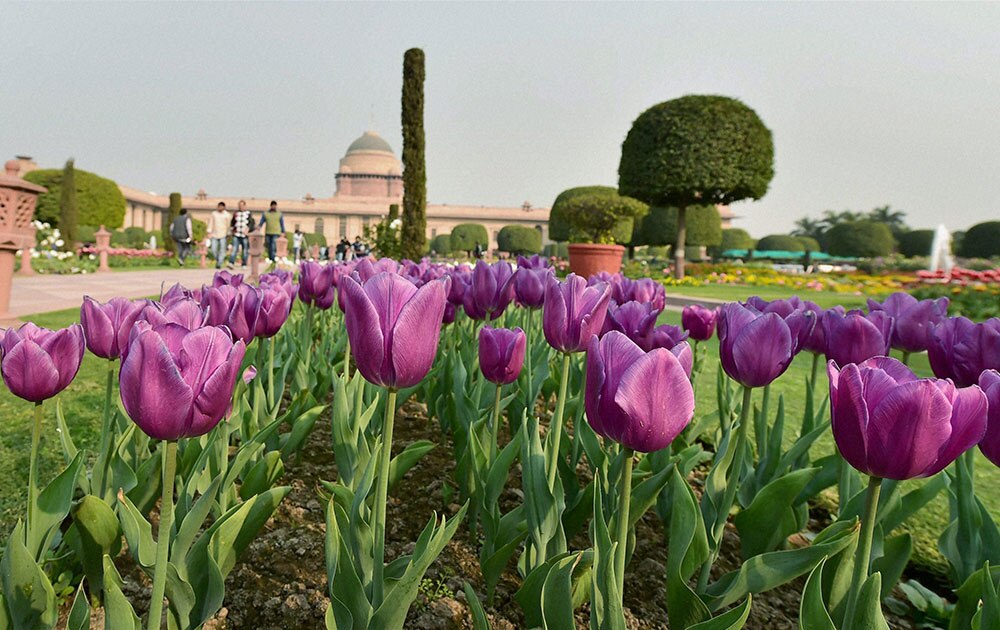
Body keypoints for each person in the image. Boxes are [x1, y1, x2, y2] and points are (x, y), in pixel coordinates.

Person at [228, 200, 253, 269]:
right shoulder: (236, 213)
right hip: (236, 234)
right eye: (239, 205)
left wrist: (248, 229)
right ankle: (231, 263)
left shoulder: (248, 214)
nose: (240, 207)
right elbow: (232, 223)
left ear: (245, 206)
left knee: (245, 250)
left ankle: (244, 264)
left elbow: (251, 223)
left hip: (244, 235)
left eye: (242, 205)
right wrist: (231, 231)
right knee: (234, 249)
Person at [207, 201, 231, 269]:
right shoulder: (214, 214)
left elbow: (228, 225)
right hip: (214, 234)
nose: (220, 208)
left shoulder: (227, 215)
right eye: (219, 206)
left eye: (221, 207)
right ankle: (218, 260)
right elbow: (211, 223)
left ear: (224, 207)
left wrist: (228, 234)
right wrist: (209, 231)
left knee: (222, 250)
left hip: (223, 234)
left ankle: (219, 263)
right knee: (213, 249)